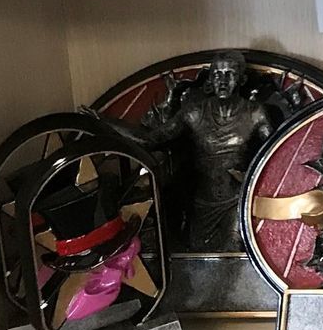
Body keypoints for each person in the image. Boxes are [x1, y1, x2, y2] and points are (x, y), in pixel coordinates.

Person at [109, 52, 280, 253]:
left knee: (234, 250)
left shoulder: (255, 113)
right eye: (217, 74)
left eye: (230, 74)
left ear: (242, 79)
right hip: (203, 203)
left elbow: (277, 153)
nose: (223, 81)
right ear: (210, 79)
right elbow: (151, 140)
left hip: (239, 200)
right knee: (198, 256)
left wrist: (252, 176)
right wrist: (106, 123)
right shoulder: (194, 113)